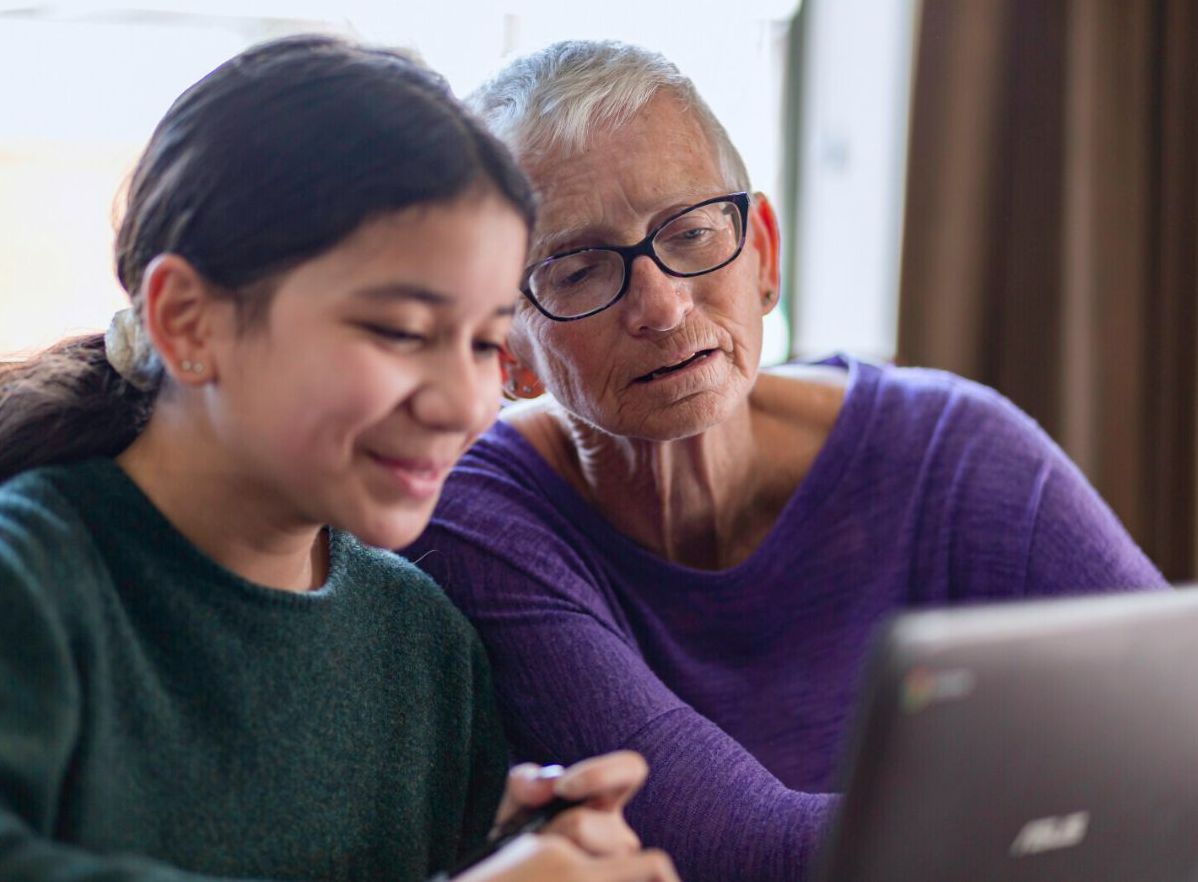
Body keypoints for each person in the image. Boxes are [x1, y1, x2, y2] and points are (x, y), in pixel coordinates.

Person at [403, 40, 1169, 882]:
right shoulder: (474, 521)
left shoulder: (956, 450)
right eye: (580, 270)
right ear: (505, 348)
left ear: (762, 254)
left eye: (693, 233)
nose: (662, 305)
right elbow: (738, 849)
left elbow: (1179, 733)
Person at [0, 35, 678, 882]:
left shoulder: (425, 646)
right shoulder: (32, 581)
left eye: (484, 343)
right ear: (189, 322)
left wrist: (513, 847)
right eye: (400, 331)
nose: (463, 402)